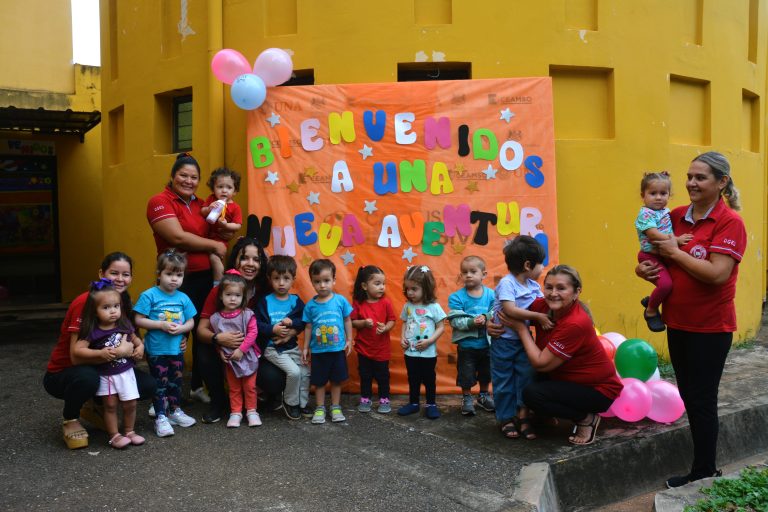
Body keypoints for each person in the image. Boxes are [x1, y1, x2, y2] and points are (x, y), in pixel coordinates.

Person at [636, 151, 746, 488]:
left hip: (710, 329)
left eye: (700, 178)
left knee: (702, 399)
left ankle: (704, 470)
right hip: (678, 323)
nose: (691, 183)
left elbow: (715, 274)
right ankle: (701, 466)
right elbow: (657, 260)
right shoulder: (676, 216)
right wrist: (645, 270)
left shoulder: (730, 223)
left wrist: (672, 252)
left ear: (721, 182)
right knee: (689, 395)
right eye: (689, 177)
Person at [43, 252, 155, 450]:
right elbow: (75, 357)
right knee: (87, 379)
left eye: (126, 274)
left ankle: (98, 404)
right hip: (66, 373)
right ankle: (70, 418)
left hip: (106, 368)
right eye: (114, 273)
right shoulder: (85, 302)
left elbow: (132, 337)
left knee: (147, 386)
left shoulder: (120, 303)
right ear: (101, 273)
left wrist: (140, 347)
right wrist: (118, 352)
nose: (120, 279)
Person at [501, 265, 622, 446]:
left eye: (561, 288)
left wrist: (521, 329)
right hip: (567, 379)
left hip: (598, 390)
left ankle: (586, 418)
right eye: (549, 287)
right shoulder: (543, 307)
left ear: (576, 292)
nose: (553, 293)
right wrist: (489, 322)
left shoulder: (575, 323)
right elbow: (507, 308)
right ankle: (546, 414)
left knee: (532, 394)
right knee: (525, 372)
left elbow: (541, 364)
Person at [197, 235, 288, 423]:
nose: (250, 263)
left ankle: (259, 400)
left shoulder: (266, 289)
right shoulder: (221, 289)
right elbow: (201, 329)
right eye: (244, 257)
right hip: (223, 348)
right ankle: (218, 402)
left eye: (256, 259)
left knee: (274, 379)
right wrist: (218, 340)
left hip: (252, 351)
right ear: (235, 260)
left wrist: (290, 330)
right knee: (202, 352)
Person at [490, 237, 553, 439]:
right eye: (541, 263)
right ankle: (506, 418)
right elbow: (509, 310)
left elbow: (542, 304)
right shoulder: (507, 284)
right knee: (503, 382)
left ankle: (523, 415)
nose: (542, 267)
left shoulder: (532, 286)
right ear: (528, 265)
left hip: (523, 342)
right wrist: (537, 317)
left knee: (525, 378)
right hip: (503, 343)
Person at [134, 251, 198, 437]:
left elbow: (191, 321)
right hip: (156, 350)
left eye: (179, 275)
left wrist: (183, 329)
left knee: (176, 383)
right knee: (159, 384)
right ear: (159, 273)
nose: (174, 279)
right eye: (169, 274)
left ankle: (175, 411)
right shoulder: (149, 296)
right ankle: (160, 417)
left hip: (176, 349)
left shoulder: (183, 298)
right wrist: (160, 325)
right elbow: (138, 319)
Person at [75, 279, 144, 449]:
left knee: (131, 403)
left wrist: (140, 346)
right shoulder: (93, 330)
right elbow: (78, 349)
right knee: (110, 405)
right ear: (95, 311)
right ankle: (114, 435)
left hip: (126, 372)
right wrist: (99, 353)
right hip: (106, 374)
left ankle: (129, 431)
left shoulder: (123, 324)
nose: (112, 311)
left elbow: (135, 338)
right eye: (106, 308)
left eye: (116, 306)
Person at [635, 171, 692, 332]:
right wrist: (676, 241)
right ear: (643, 195)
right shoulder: (645, 213)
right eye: (653, 193)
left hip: (662, 254)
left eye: (663, 193)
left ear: (669, 195)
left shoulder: (666, 211)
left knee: (673, 283)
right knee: (666, 285)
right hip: (651, 256)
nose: (658, 197)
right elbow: (653, 235)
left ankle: (652, 300)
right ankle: (651, 311)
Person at [256, 255, 309, 420]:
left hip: (291, 347)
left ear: (293, 279)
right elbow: (256, 324)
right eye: (276, 278)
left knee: (305, 372)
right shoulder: (264, 301)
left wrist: (293, 322)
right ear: (269, 279)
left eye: (286, 278)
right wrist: (273, 329)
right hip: (272, 348)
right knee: (294, 372)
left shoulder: (295, 301)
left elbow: (305, 320)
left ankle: (302, 403)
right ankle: (290, 402)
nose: (281, 283)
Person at [302, 259, 353, 425]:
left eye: (326, 280)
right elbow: (308, 327)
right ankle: (320, 407)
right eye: (317, 282)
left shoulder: (340, 301)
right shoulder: (310, 306)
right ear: (312, 282)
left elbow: (347, 320)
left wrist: (350, 339)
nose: (322, 285)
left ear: (334, 280)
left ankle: (336, 406)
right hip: (318, 352)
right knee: (319, 381)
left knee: (337, 380)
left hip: (337, 350)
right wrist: (305, 347)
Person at [210, 270, 262, 428]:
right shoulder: (215, 318)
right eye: (228, 294)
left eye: (237, 295)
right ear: (221, 296)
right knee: (234, 387)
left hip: (247, 357)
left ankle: (252, 411)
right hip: (230, 360)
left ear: (243, 297)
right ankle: (235, 413)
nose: (233, 299)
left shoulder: (247, 314)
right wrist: (220, 353)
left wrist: (242, 350)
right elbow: (218, 339)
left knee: (250, 386)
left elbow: (253, 333)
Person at [447, 255, 495, 417]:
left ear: (484, 274)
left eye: (473, 271)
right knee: (466, 374)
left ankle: (483, 395)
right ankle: (467, 397)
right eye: (464, 272)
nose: (468, 275)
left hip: (487, 346)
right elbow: (454, 320)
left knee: (486, 372)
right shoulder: (456, 297)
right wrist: (471, 322)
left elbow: (497, 311)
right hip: (467, 347)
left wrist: (487, 316)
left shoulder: (491, 295)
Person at [397, 265, 446, 420]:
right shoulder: (408, 306)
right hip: (410, 352)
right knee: (413, 378)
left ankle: (431, 404)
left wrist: (429, 341)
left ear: (426, 288)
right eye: (407, 289)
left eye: (414, 289)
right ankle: (413, 403)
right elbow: (404, 322)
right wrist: (402, 337)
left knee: (429, 379)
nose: (410, 292)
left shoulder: (434, 307)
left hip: (428, 352)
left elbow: (441, 327)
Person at [350, 265, 396, 414]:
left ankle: (384, 399)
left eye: (383, 284)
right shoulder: (358, 303)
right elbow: (352, 322)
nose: (382, 287)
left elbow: (392, 320)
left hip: (381, 350)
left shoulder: (386, 303)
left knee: (383, 376)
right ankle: (365, 398)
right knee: (365, 376)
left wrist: (386, 328)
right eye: (377, 284)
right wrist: (363, 323)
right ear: (364, 286)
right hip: (364, 349)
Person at [200, 168, 243, 285]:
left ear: (235, 191)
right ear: (213, 189)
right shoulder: (211, 199)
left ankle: (218, 284)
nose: (224, 191)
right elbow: (202, 211)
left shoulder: (235, 207)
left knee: (215, 258)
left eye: (229, 187)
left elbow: (237, 225)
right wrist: (209, 209)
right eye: (220, 187)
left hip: (219, 239)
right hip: (205, 237)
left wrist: (227, 225)